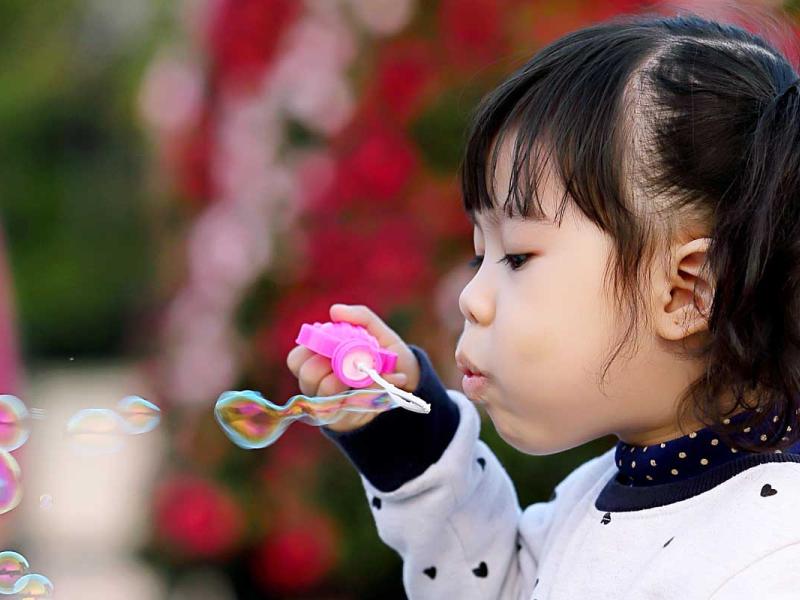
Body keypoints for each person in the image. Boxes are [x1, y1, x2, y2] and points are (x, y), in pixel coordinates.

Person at [287, 11, 800, 599]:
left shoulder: (772, 553)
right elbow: (496, 586)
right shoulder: (596, 493)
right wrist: (405, 441)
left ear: (688, 292)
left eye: (518, 257)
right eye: (481, 254)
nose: (471, 298)